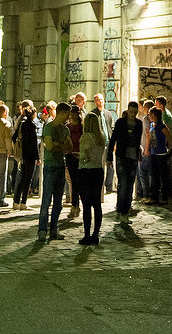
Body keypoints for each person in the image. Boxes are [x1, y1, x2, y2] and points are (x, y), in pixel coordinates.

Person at [37, 101, 72, 241]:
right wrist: (60, 145)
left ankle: (53, 229)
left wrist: (60, 145)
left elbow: (68, 147)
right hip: (51, 167)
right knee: (46, 200)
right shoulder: (49, 127)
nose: (68, 117)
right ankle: (42, 229)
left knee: (58, 201)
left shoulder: (65, 130)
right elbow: (50, 147)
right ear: (62, 112)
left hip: (60, 166)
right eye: (67, 114)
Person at [107, 101, 143, 223]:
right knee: (123, 184)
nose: (133, 114)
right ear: (128, 111)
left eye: (135, 112)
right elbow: (113, 139)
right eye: (131, 112)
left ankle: (124, 209)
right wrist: (109, 157)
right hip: (122, 156)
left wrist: (138, 154)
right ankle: (122, 211)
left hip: (132, 157)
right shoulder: (121, 122)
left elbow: (137, 140)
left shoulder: (139, 124)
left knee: (129, 184)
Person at [77, 112, 107, 245]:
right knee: (96, 204)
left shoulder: (86, 137)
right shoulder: (101, 137)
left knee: (86, 205)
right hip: (98, 171)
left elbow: (85, 156)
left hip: (85, 171)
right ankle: (96, 235)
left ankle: (87, 235)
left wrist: (78, 156)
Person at [12, 105, 39, 209]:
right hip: (30, 155)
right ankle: (23, 202)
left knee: (22, 178)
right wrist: (37, 157)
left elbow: (14, 137)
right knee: (28, 179)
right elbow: (34, 143)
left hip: (23, 155)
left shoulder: (22, 124)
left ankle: (16, 202)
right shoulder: (32, 125)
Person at [145, 106, 172, 204]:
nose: (149, 116)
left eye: (150, 114)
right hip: (154, 153)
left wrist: (168, 150)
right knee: (154, 176)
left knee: (163, 176)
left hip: (161, 154)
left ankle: (164, 198)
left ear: (155, 115)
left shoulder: (162, 127)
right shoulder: (152, 125)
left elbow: (170, 138)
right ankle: (154, 197)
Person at [91, 93, 115, 194]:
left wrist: (114, 143)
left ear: (103, 100)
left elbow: (111, 127)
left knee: (110, 165)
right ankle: (100, 188)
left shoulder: (108, 113)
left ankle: (109, 186)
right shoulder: (93, 114)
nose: (99, 101)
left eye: (101, 99)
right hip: (99, 144)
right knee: (100, 166)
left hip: (109, 143)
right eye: (97, 100)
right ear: (95, 102)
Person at [65, 103, 83, 219]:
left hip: (80, 156)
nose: (72, 116)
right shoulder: (68, 127)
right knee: (73, 182)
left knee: (79, 182)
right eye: (71, 114)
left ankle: (76, 205)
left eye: (74, 114)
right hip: (71, 156)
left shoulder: (82, 127)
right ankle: (74, 205)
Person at [137, 99, 155, 201]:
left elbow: (147, 134)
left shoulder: (145, 119)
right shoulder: (154, 120)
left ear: (147, 109)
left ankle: (146, 195)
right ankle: (150, 194)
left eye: (144, 108)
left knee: (143, 172)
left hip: (146, 149)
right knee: (150, 173)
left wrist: (146, 149)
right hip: (151, 149)